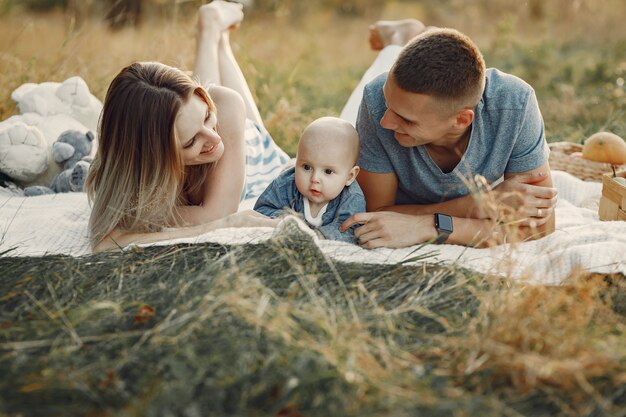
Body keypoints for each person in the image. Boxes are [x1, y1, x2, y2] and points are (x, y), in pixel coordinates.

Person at [86, 1, 289, 252]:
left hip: (253, 150)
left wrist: (145, 218)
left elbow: (217, 214)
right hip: (201, 122)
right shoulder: (128, 163)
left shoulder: (219, 118)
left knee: (222, 102)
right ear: (152, 157)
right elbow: (106, 242)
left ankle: (212, 33)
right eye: (191, 142)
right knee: (198, 112)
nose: (214, 138)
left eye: (206, 117)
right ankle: (216, 34)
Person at [339, 21, 558, 248]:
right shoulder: (377, 100)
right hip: (375, 98)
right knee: (342, 129)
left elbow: (539, 228)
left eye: (406, 119)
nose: (385, 122)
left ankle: (404, 36)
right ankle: (398, 39)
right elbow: (377, 214)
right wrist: (482, 204)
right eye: (388, 106)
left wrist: (428, 226)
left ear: (461, 120)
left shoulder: (515, 105)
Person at [254, 117, 365, 243]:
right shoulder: (286, 184)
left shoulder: (351, 198)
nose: (315, 179)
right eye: (307, 167)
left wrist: (318, 236)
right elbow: (261, 210)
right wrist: (285, 221)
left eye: (328, 171)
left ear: (349, 176)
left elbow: (351, 230)